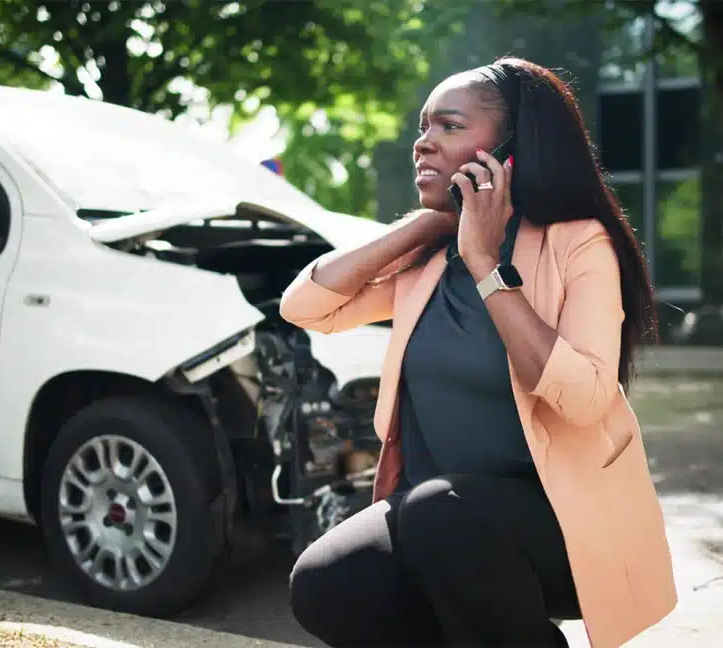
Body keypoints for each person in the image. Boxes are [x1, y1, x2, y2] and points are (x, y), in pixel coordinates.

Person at [280, 57, 677, 648]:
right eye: (423, 127)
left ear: (510, 149)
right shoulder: (431, 259)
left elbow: (587, 400)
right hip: (436, 520)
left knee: (443, 512)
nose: (423, 143)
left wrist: (488, 266)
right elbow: (305, 307)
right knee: (324, 585)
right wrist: (425, 228)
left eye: (448, 127)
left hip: (557, 529)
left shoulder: (580, 245)